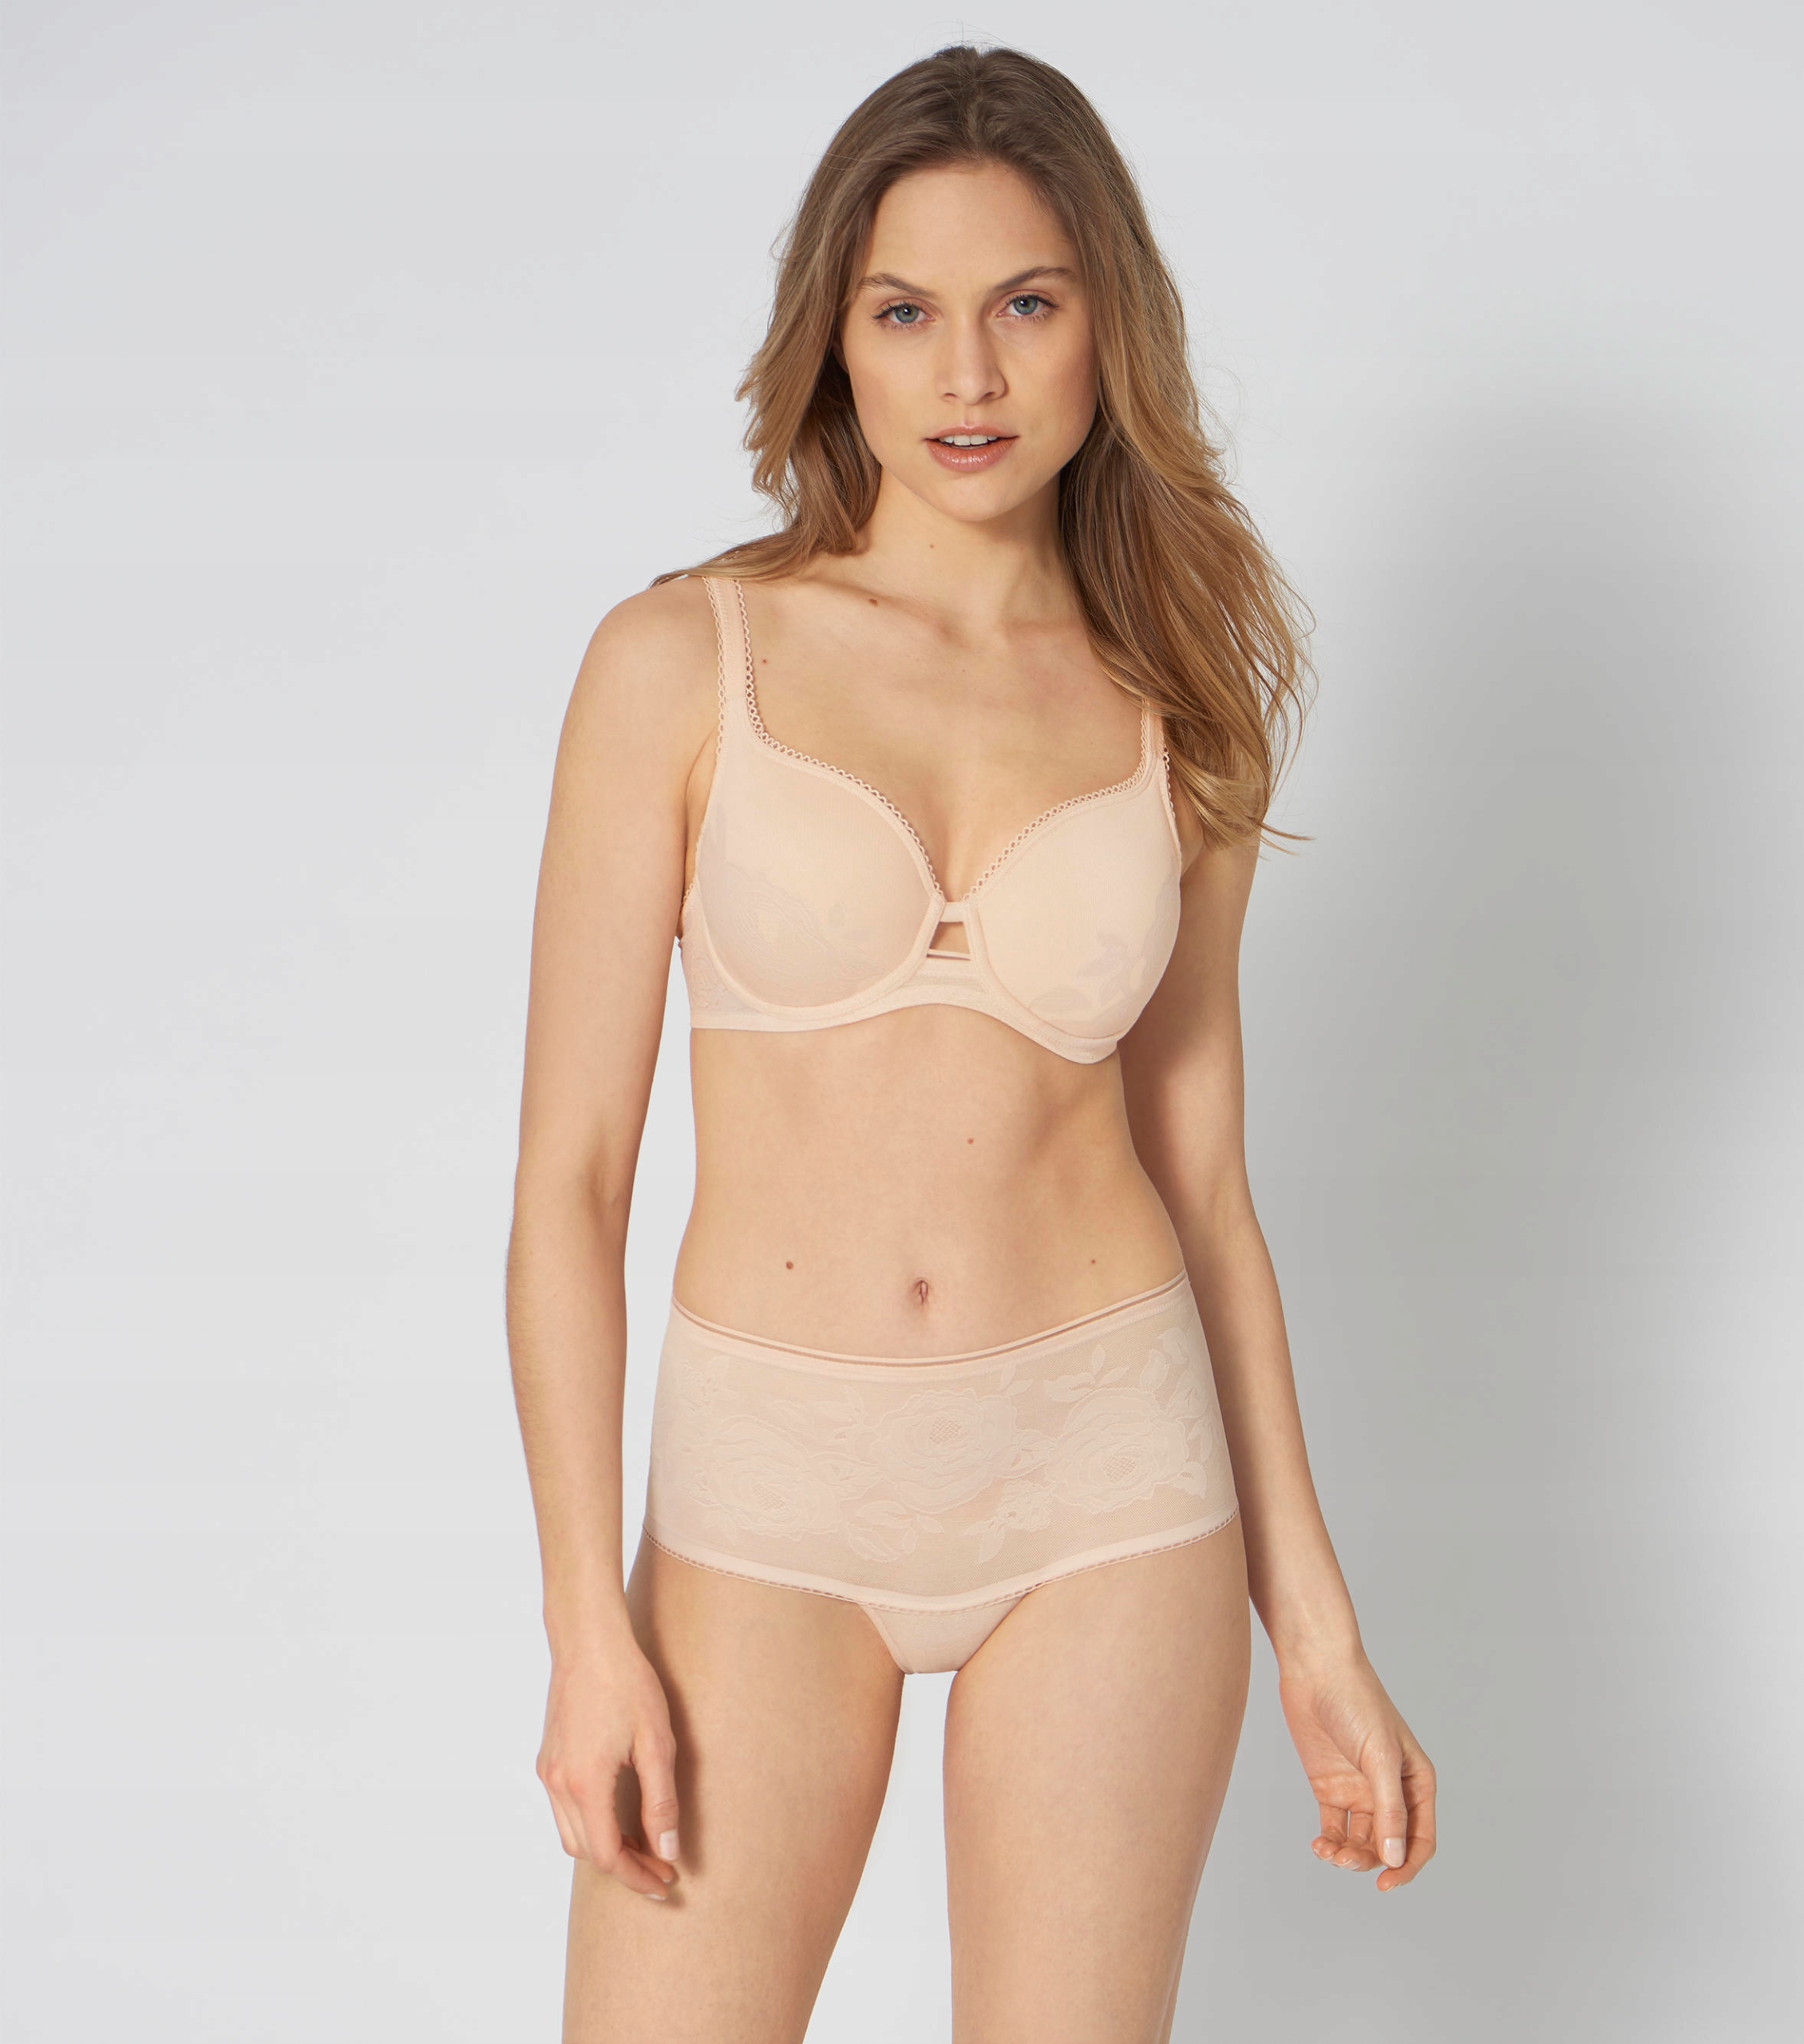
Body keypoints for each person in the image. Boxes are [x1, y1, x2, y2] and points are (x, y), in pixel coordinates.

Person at [506, 42, 1436, 2043]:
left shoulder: (1180, 703)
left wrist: (1321, 1631)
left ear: (1109, 323)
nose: (969, 375)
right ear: (833, 338)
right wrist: (587, 1617)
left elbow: (1206, 1187)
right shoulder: (680, 660)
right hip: (766, 1493)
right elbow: (571, 1184)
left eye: (1026, 303)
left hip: (1109, 1482)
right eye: (904, 312)